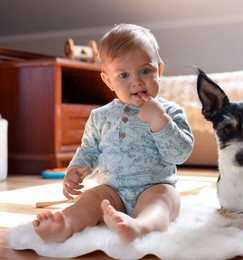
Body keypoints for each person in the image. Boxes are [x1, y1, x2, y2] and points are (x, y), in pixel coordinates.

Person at [33, 24, 194, 243]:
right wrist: (75, 171)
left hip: (155, 186)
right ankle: (65, 224)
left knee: (164, 200)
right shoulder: (100, 117)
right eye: (124, 75)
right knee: (90, 199)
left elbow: (180, 154)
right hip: (112, 191)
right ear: (108, 81)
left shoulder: (171, 111)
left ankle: (141, 227)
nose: (136, 81)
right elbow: (89, 150)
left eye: (145, 71)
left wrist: (160, 120)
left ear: (160, 70)